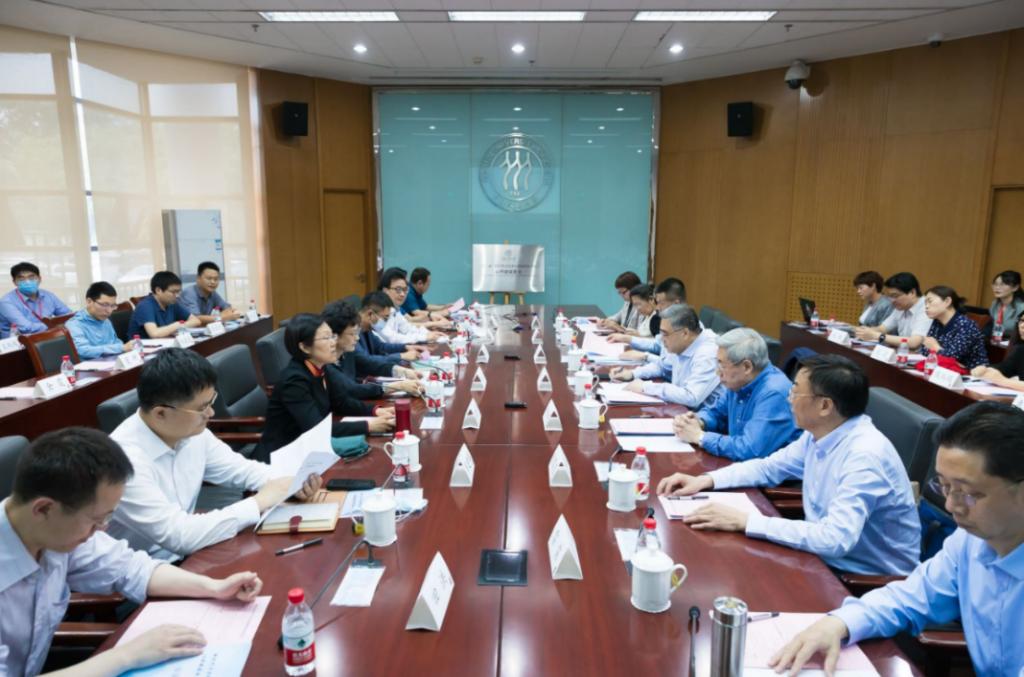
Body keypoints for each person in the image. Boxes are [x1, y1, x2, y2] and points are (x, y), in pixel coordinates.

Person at [769, 401, 1024, 677]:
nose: (951, 505)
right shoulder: (969, 541)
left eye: (968, 493)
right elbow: (909, 598)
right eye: (944, 486)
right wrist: (838, 623)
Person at [1, 427, 265, 677]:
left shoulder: (53, 532)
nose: (102, 529)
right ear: (43, 509)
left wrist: (213, 587)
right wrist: (126, 655)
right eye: (96, 520)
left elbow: (130, 568)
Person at [657, 354, 920, 576]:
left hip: (862, 580)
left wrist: (746, 521)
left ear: (825, 406)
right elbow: (768, 468)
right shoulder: (821, 433)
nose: (788, 398)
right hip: (821, 560)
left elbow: (835, 539)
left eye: (795, 391)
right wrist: (706, 480)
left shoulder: (864, 456)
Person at [108, 348, 323, 561]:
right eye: (202, 407)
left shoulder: (192, 433)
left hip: (194, 550)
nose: (210, 413)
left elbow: (242, 470)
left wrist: (294, 483)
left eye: (211, 402)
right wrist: (259, 502)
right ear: (161, 413)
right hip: (145, 570)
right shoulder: (123, 461)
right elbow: (178, 535)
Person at [258, 313, 395, 458]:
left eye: (333, 336)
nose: (333, 343)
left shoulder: (321, 366)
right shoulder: (294, 381)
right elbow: (317, 429)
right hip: (282, 455)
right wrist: (368, 426)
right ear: (305, 347)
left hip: (308, 447)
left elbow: (341, 403)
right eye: (326, 338)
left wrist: (376, 411)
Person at [672, 328, 799, 461]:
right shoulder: (738, 382)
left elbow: (750, 450)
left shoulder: (774, 393)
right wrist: (698, 421)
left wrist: (700, 437)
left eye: (722, 366)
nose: (717, 372)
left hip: (773, 472)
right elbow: (716, 413)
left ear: (746, 367)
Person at [610, 303, 723, 409]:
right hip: (681, 409)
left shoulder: (708, 353)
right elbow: (663, 366)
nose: (661, 339)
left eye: (665, 334)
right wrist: (633, 374)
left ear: (685, 333)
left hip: (703, 416)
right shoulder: (682, 343)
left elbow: (692, 397)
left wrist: (646, 387)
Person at [321, 300, 423, 400]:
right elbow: (351, 390)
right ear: (334, 335)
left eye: (357, 333)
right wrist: (397, 386)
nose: (357, 338)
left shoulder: (348, 351)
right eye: (352, 334)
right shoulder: (326, 363)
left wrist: (403, 371)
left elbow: (369, 364)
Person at [853, 272, 930, 350]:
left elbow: (914, 342)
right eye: (890, 296)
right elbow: (882, 328)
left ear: (912, 292)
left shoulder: (926, 307)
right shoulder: (901, 307)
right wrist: (865, 332)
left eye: (895, 296)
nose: (892, 300)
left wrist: (877, 336)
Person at [617, 277, 687, 361]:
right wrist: (628, 339)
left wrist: (645, 356)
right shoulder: (669, 321)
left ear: (676, 303)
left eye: (661, 303)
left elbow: (668, 364)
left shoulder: (684, 327)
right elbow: (657, 345)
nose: (657, 307)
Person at [921, 285, 988, 370]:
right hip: (943, 369)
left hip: (972, 373)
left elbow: (953, 358)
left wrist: (935, 347)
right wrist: (935, 349)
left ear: (947, 301)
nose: (926, 306)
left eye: (930, 301)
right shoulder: (936, 321)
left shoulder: (966, 325)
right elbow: (925, 351)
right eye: (925, 303)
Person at [0, 261, 71, 338]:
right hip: (18, 342)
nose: (27, 282)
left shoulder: (48, 295)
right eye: (21, 279)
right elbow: (27, 328)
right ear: (14, 282)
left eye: (31, 277)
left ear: (39, 279)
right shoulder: (6, 302)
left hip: (48, 337)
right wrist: (56, 327)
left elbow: (69, 316)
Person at [65, 281, 133, 359]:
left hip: (111, 362)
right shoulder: (74, 324)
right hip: (91, 365)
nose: (109, 311)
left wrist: (126, 347)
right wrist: (120, 348)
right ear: (89, 301)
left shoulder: (105, 320)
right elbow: (83, 350)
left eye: (112, 306)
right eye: (104, 305)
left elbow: (115, 342)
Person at [378, 268, 448, 341]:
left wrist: (428, 333)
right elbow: (391, 338)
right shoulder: (379, 310)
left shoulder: (394, 308)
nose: (402, 294)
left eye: (405, 289)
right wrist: (425, 336)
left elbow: (407, 328)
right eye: (398, 289)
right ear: (385, 290)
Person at [359, 292, 427, 366]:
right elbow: (366, 360)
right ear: (370, 314)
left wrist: (406, 347)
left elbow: (381, 347)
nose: (385, 322)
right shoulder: (354, 332)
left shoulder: (367, 329)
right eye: (385, 318)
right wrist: (401, 356)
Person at [127, 271, 200, 339]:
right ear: (158, 290)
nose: (177, 295)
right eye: (173, 292)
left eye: (178, 292)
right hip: (142, 347)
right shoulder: (145, 306)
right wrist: (177, 325)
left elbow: (196, 321)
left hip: (165, 343)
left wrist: (180, 326)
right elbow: (154, 334)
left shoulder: (172, 303)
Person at [971, 313, 1024, 392]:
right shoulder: (1020, 350)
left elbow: (1001, 379)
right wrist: (985, 369)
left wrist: (1003, 381)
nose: (1022, 325)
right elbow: (1004, 368)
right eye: (1022, 321)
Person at [987, 270, 1024, 339]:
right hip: (996, 341)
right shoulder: (995, 304)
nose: (997, 287)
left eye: (1003, 284)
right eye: (995, 284)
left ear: (1015, 287)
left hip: (1015, 342)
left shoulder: (1022, 307)